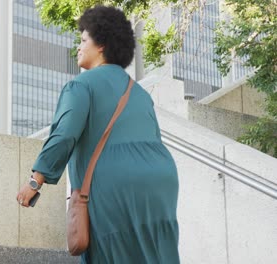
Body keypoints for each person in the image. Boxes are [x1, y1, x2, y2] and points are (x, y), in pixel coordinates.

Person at [16, 5, 179, 264]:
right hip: (162, 182)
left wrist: (35, 181)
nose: (79, 47)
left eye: (83, 40)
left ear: (101, 44)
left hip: (113, 182)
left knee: (110, 253)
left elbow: (64, 135)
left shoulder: (80, 85)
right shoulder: (139, 93)